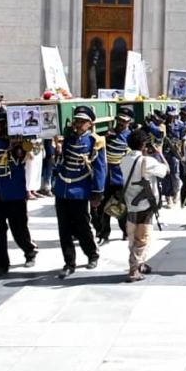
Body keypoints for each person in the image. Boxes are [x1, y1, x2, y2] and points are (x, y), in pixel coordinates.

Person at [0, 110, 39, 277]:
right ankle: (1, 264)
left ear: (5, 125)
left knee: (18, 228)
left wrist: (17, 144)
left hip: (14, 192)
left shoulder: (18, 141)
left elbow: (23, 156)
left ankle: (29, 251)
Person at [53, 106, 106, 279]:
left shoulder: (94, 141)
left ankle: (92, 254)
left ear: (90, 124)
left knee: (82, 226)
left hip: (80, 189)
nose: (78, 124)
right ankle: (69, 262)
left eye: (82, 121)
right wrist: (57, 151)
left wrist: (97, 192)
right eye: (77, 120)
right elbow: (60, 163)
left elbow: (100, 169)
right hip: (63, 188)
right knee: (64, 228)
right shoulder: (67, 139)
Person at [120, 130, 168, 282]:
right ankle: (134, 269)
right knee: (143, 238)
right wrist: (159, 154)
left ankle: (139, 264)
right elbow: (165, 170)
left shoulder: (124, 160)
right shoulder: (147, 161)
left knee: (132, 236)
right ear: (143, 145)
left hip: (129, 202)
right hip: (145, 204)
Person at [96, 108, 133, 245]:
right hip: (106, 176)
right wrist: (105, 137)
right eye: (120, 120)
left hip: (121, 177)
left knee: (120, 207)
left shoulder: (130, 136)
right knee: (102, 207)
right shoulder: (107, 134)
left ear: (129, 122)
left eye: (124, 121)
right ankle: (103, 233)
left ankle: (126, 231)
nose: (121, 123)